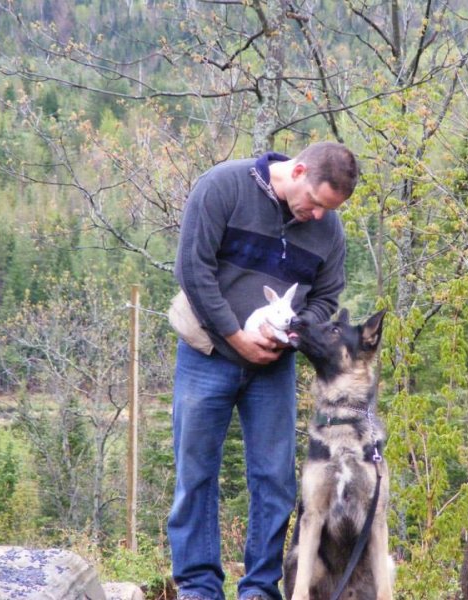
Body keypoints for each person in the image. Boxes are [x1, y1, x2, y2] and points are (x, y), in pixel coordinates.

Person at [168, 142, 360, 600]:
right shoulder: (223, 187)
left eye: (328, 209)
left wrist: (291, 333)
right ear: (298, 171)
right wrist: (236, 337)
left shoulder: (328, 228)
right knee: (195, 473)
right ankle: (198, 587)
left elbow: (326, 297)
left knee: (274, 479)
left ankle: (258, 589)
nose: (318, 215)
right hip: (206, 354)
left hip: (273, 366)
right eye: (315, 202)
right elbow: (193, 271)